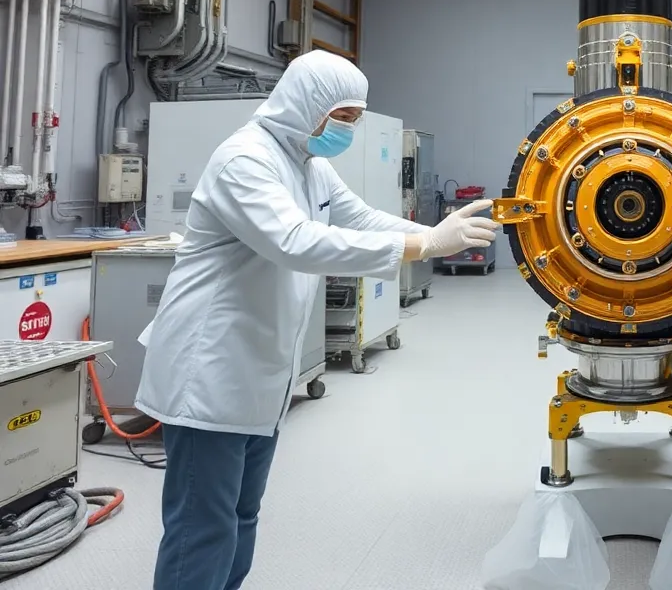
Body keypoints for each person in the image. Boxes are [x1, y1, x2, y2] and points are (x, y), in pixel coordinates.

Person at [135, 50, 497, 590]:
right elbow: (296, 242)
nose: (348, 130)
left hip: (257, 374)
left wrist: (435, 232)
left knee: (241, 516)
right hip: (208, 373)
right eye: (342, 117)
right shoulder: (245, 159)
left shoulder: (308, 164)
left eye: (354, 118)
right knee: (202, 528)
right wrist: (422, 247)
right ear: (304, 105)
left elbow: (360, 218)